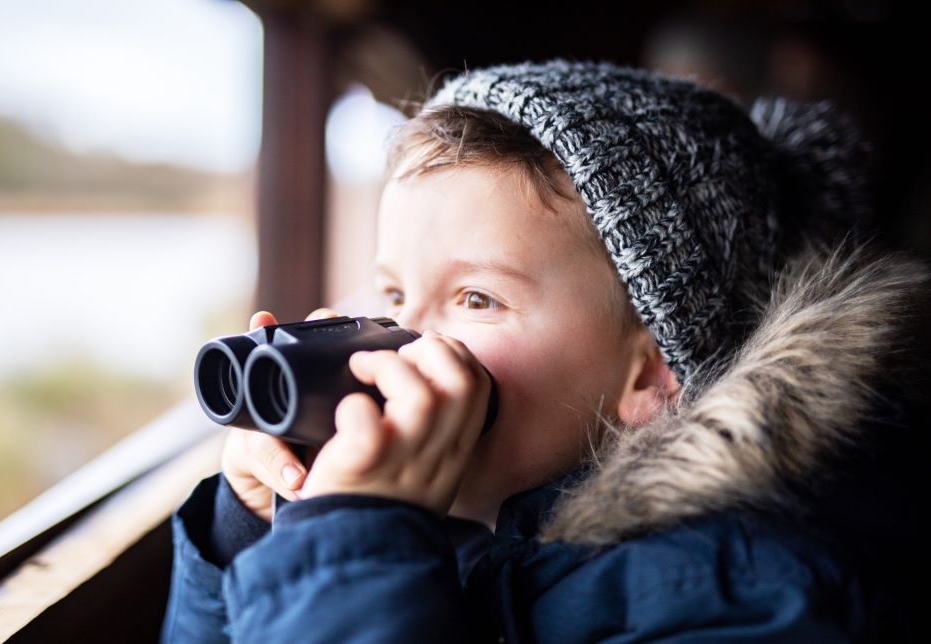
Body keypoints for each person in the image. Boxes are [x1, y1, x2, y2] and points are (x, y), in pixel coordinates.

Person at [161, 60, 927, 642]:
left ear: (652, 369)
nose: (403, 345)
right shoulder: (465, 528)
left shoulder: (744, 592)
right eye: (394, 298)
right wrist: (255, 529)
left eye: (476, 300)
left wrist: (351, 541)